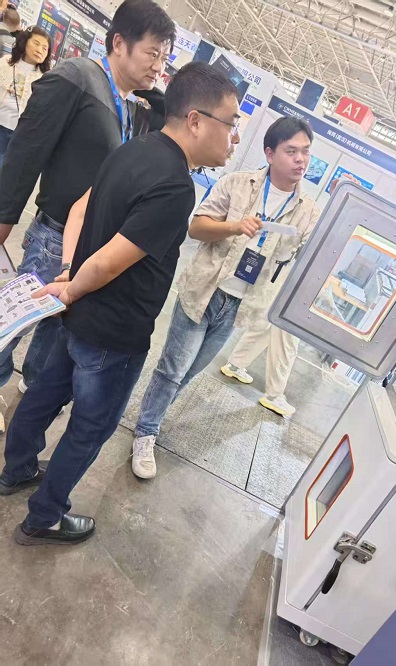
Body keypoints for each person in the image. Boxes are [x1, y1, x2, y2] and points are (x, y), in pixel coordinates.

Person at [0, 61, 241, 546]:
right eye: (231, 123)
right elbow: (111, 262)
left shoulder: (133, 148)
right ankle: (45, 516)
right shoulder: (176, 186)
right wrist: (73, 284)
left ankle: (15, 470)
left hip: (78, 316)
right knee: (90, 427)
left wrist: (70, 274)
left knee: (44, 394)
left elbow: (80, 210)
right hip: (113, 333)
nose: (234, 138)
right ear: (196, 120)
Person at [0, 0, 176, 400]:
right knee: (14, 322)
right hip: (54, 236)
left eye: (164, 58)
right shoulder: (76, 78)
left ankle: (30, 394)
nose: (158, 66)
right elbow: (25, 154)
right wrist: (4, 219)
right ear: (119, 43)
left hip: (86, 247)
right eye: (152, 53)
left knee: (53, 330)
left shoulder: (129, 103)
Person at [132, 116, 320, 479]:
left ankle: (151, 417)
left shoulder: (308, 212)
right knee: (173, 369)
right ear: (270, 153)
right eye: (291, 151)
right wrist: (235, 226)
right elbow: (196, 227)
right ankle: (146, 431)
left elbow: (308, 257)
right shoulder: (237, 183)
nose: (301, 160)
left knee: (189, 372)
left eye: (306, 152)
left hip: (239, 307)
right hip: (204, 290)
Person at [0, 26, 51, 167]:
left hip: (19, 135)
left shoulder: (46, 79)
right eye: (36, 43)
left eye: (45, 48)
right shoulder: (5, 63)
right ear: (25, 42)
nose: (40, 50)